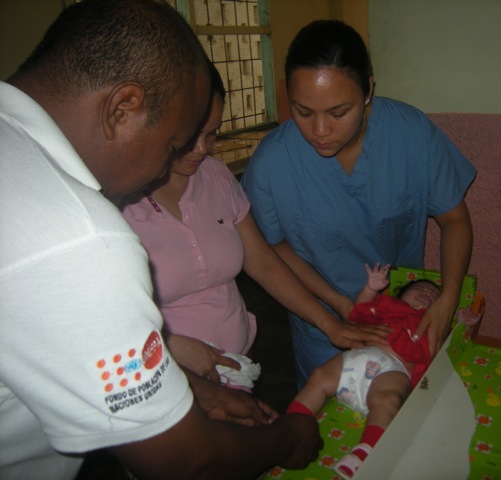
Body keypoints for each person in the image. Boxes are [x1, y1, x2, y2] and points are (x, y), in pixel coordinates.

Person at [0, 1, 322, 479]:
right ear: (123, 108)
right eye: (173, 144)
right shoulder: (80, 241)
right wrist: (288, 438)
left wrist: (198, 389)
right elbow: (184, 460)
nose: (166, 167)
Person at [120, 62, 390, 390]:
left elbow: (263, 262)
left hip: (237, 364)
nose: (203, 150)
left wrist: (329, 323)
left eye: (212, 134)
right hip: (163, 377)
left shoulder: (215, 177)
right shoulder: (119, 203)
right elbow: (97, 320)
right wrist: (169, 347)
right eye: (189, 137)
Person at [241, 19, 477, 388]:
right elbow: (273, 249)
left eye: (338, 113)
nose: (320, 131)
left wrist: (448, 299)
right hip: (322, 330)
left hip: (400, 321)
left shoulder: (411, 134)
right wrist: (336, 304)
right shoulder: (272, 164)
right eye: (303, 111)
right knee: (333, 423)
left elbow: (455, 219)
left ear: (368, 90)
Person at [286, 263, 482, 479]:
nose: (427, 294)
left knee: (388, 399)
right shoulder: (387, 308)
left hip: (394, 370)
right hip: (357, 360)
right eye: (421, 289)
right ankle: (289, 427)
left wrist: (463, 327)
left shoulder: (434, 327)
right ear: (400, 295)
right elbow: (358, 313)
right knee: (318, 377)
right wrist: (371, 288)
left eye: (434, 296)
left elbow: (449, 351)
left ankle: (365, 451)